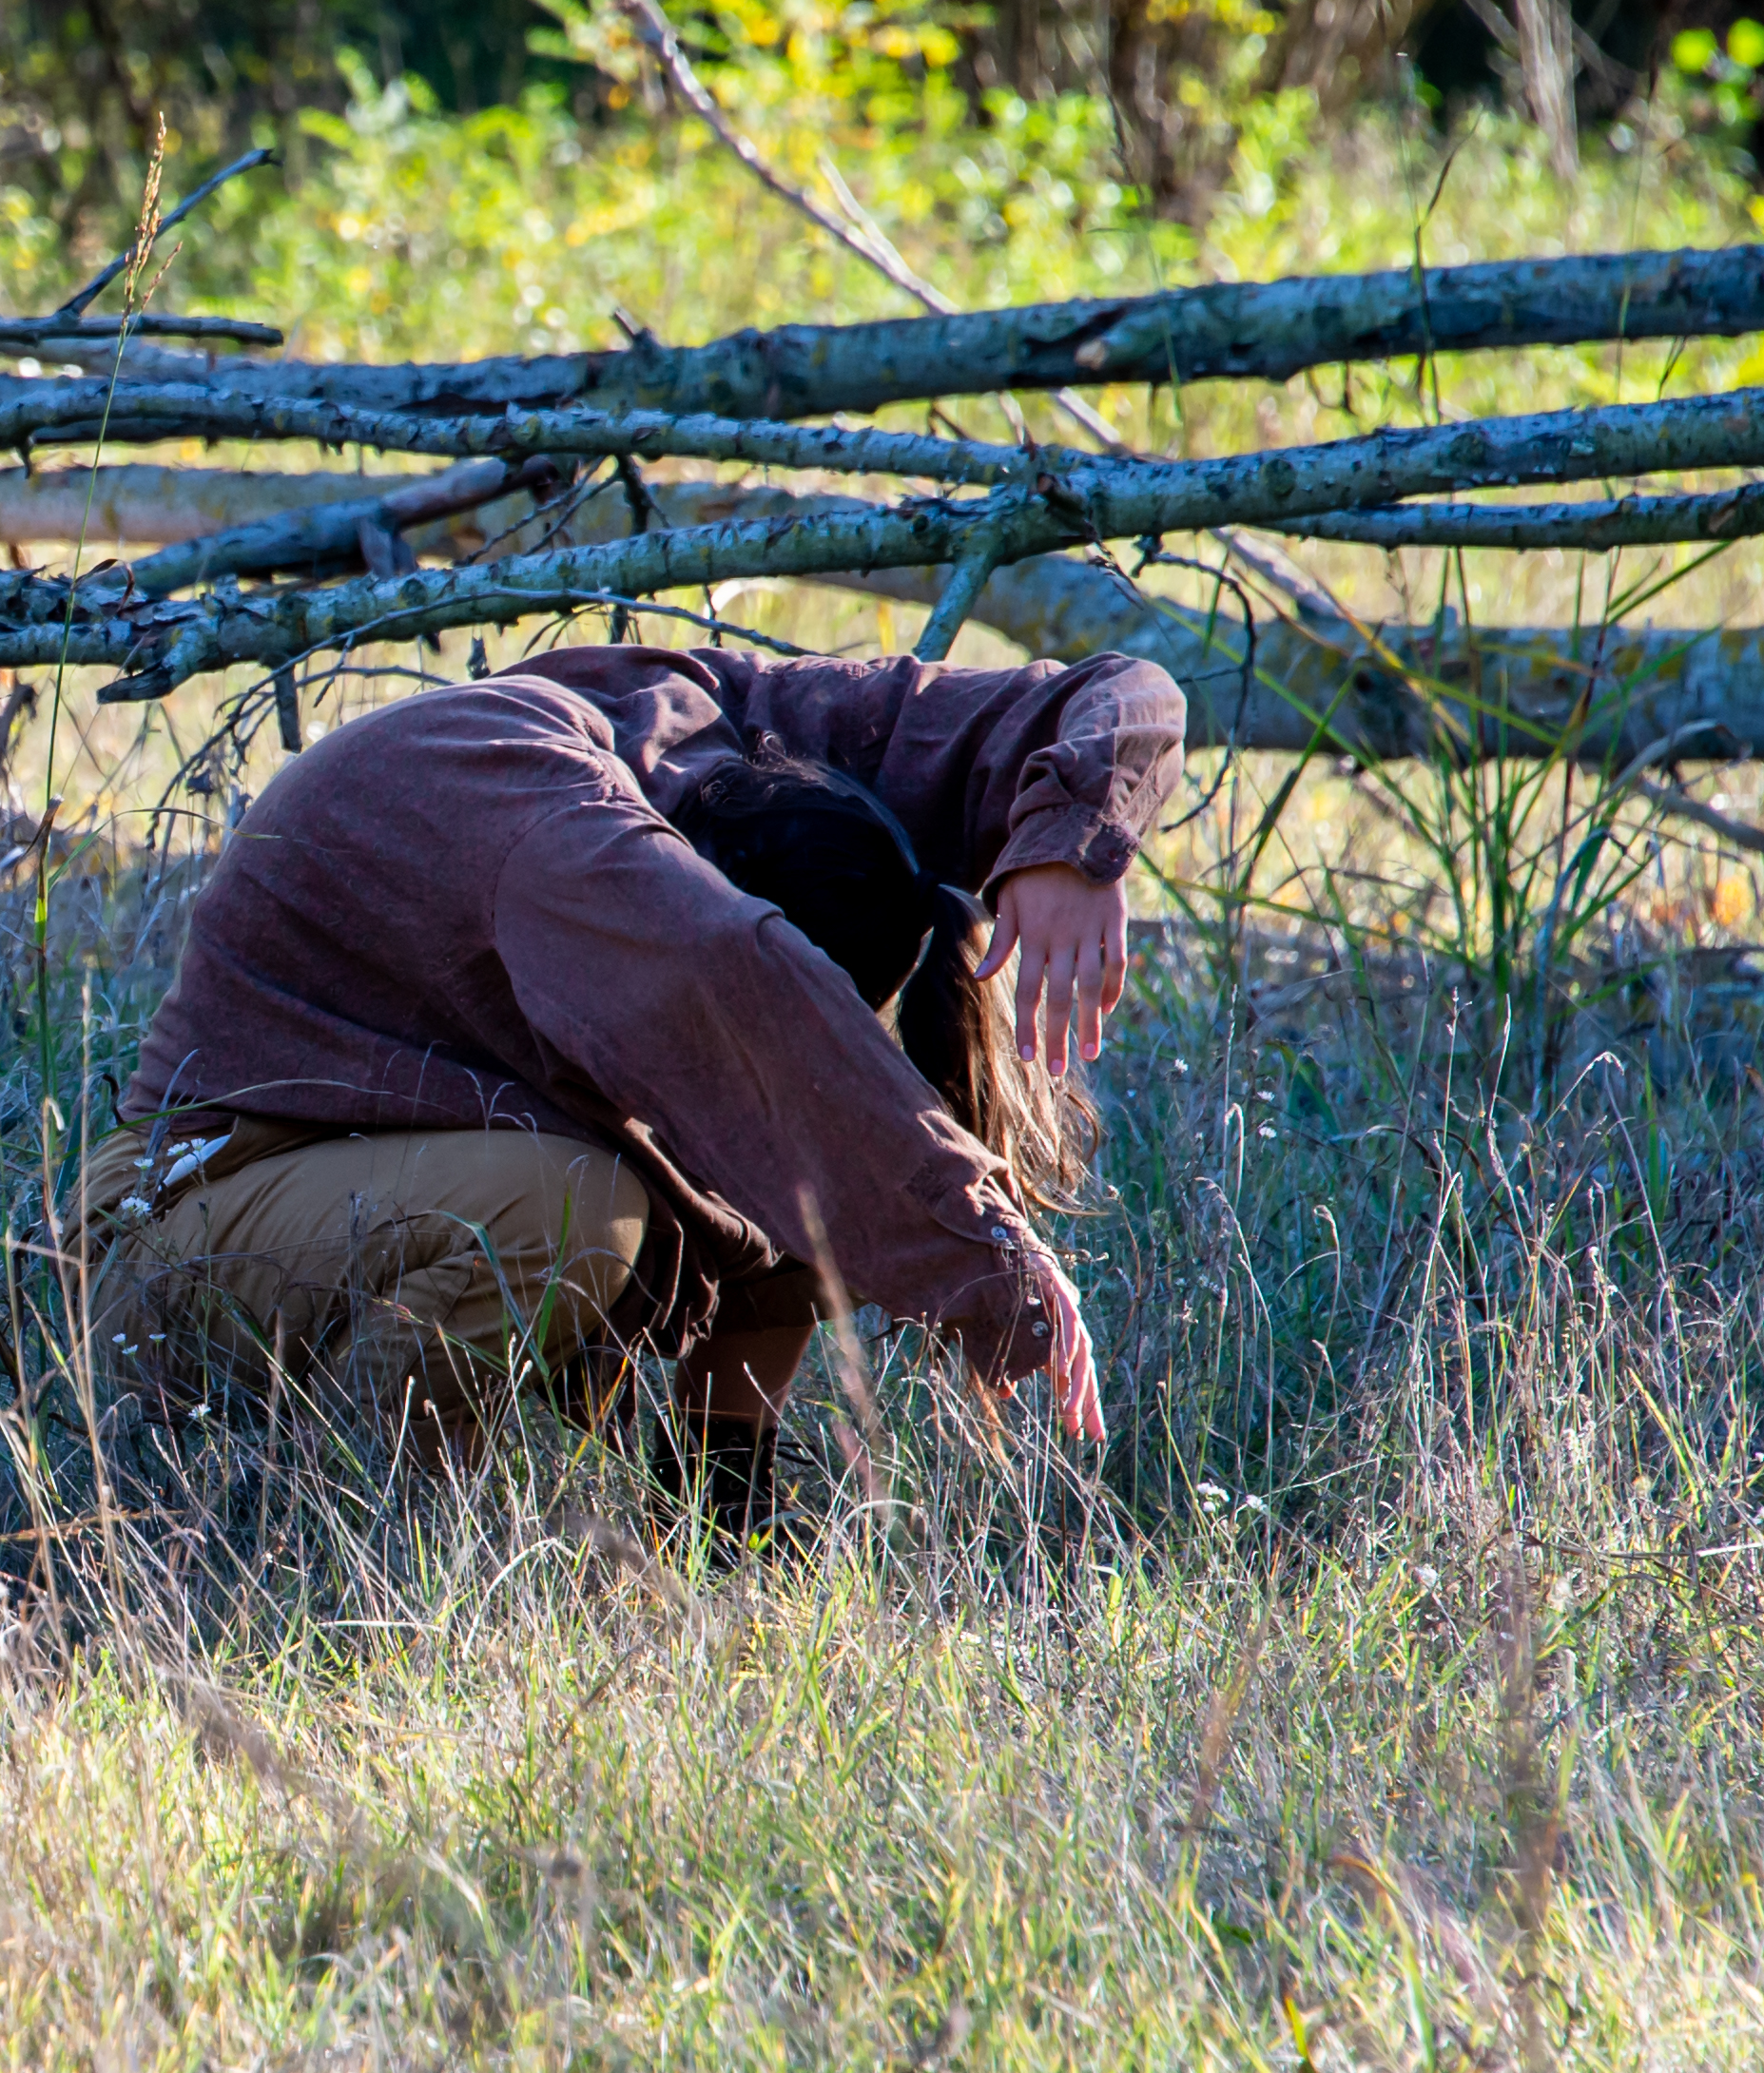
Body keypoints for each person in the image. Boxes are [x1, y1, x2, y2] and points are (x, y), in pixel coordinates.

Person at [81, 641, 1182, 1505]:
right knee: (585, 1203)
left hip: (390, 1184)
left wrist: (1070, 843)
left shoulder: (750, 729)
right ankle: (349, 1525)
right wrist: (981, 1246)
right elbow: (742, 987)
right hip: (173, 1220)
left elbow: (1117, 694)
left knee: (785, 1163)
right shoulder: (572, 833)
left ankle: (720, 1512)